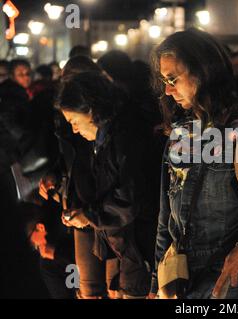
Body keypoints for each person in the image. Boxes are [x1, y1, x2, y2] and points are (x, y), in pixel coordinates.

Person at [150, 28, 238, 299]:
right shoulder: (182, 129)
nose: (168, 91)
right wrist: (157, 280)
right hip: (179, 279)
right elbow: (165, 213)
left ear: (203, 71)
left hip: (229, 279)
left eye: (173, 79)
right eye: (163, 81)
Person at [55, 71, 158, 299]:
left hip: (140, 245)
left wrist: (90, 215)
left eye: (73, 121)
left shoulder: (125, 135)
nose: (73, 129)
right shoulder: (106, 138)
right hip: (127, 247)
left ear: (91, 111)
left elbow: (129, 197)